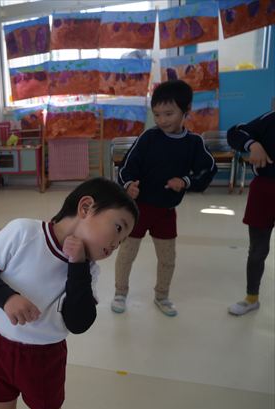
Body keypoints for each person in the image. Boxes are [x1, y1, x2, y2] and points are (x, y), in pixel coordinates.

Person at [0, 177, 138, 409]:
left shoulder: (88, 270)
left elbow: (79, 322)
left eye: (122, 240)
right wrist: (7, 298)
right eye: (118, 228)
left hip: (44, 358)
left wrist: (77, 265)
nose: (116, 244)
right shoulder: (23, 232)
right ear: (86, 207)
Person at [111, 79, 218, 316]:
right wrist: (128, 185)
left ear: (186, 110)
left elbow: (208, 169)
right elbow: (127, 166)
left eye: (169, 114)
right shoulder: (148, 138)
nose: (162, 120)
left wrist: (186, 181)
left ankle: (162, 296)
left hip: (166, 212)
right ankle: (120, 293)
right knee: (127, 254)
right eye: (157, 114)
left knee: (168, 258)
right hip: (137, 210)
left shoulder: (194, 143)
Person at [226, 110, 274, 315]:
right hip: (264, 190)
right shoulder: (270, 119)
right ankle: (251, 298)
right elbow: (235, 133)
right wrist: (253, 145)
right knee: (257, 250)